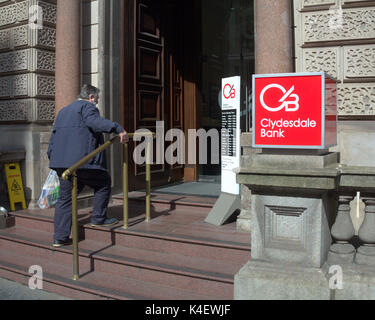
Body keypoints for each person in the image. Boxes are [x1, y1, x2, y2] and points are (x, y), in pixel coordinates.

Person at [47, 84, 129, 247]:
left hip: (63, 164)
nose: (96, 103)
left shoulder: (64, 111)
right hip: (82, 162)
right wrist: (118, 128)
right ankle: (98, 218)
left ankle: (59, 237)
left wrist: (53, 158)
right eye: (97, 100)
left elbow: (54, 136)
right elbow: (96, 123)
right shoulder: (87, 107)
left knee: (65, 198)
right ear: (91, 97)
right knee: (103, 182)